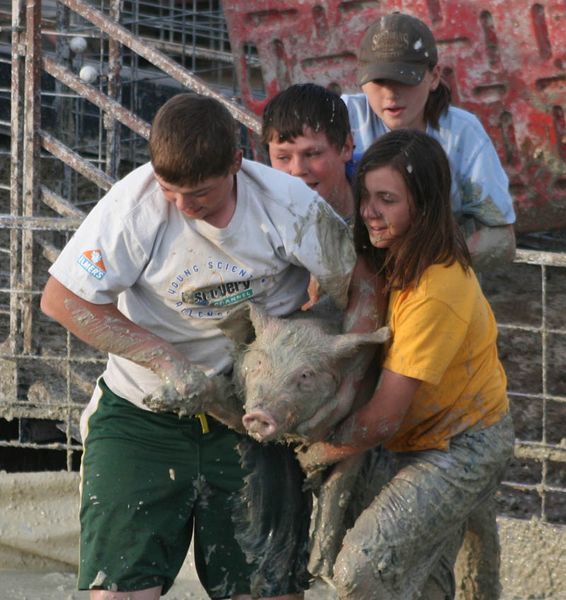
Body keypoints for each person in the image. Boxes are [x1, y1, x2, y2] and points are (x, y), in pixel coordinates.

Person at [40, 93, 360, 600]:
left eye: (201, 195)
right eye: (172, 190)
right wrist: (168, 362)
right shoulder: (134, 206)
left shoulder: (289, 206)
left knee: (266, 590)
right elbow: (61, 300)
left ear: (236, 162)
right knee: (119, 592)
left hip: (254, 418)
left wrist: (326, 370)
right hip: (143, 411)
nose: (185, 207)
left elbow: (360, 289)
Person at [296, 129, 515, 599]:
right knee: (423, 578)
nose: (371, 211)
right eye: (367, 197)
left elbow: (382, 416)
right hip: (415, 434)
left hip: (459, 443)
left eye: (388, 200)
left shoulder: (436, 289)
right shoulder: (390, 253)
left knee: (360, 571)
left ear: (425, 205)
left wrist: (310, 455)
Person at [342, 11, 516, 272]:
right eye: (379, 81)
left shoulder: (463, 135)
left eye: (405, 79)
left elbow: (501, 237)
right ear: (362, 80)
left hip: (437, 272)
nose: (390, 93)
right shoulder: (341, 119)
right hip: (355, 267)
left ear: (434, 76)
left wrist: (428, 267)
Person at [262, 83, 355, 222]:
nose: (297, 170)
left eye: (312, 154)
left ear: (346, 147)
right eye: (283, 157)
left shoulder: (385, 194)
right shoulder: (263, 222)